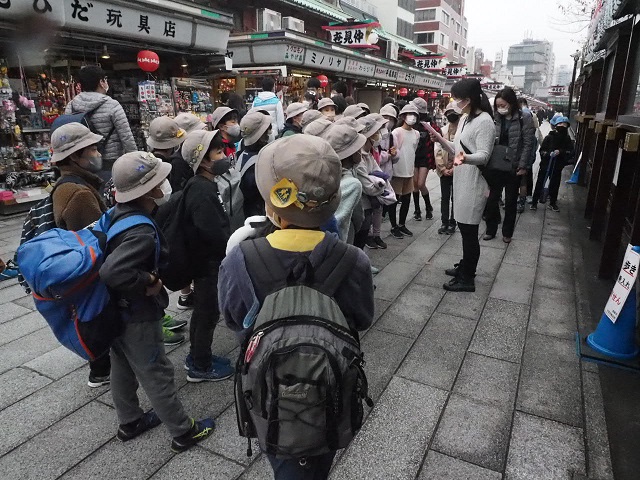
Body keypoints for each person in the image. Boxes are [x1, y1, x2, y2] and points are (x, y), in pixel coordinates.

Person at [218, 134, 374, 480]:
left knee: (281, 455)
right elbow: (361, 318)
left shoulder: (240, 259)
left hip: (268, 389)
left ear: (272, 204)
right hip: (330, 388)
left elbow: (232, 318)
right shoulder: (353, 261)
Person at [102, 151, 215, 452]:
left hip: (113, 311)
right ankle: (183, 431)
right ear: (149, 189)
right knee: (156, 371)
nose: (166, 182)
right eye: (160, 179)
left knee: (122, 366)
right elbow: (114, 271)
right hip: (137, 313)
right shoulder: (140, 229)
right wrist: (148, 281)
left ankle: (130, 421)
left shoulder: (117, 213)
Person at [49, 123, 111, 388]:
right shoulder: (79, 194)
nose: (98, 153)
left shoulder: (70, 185)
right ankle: (101, 368)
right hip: (90, 274)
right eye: (93, 149)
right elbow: (96, 242)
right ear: (75, 156)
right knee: (97, 314)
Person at [175, 130, 235, 381]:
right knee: (208, 313)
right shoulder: (202, 190)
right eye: (218, 152)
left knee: (203, 311)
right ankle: (201, 365)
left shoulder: (204, 185)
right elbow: (212, 232)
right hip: (208, 264)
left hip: (204, 262)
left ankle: (197, 356)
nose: (224, 156)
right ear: (204, 161)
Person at [432, 78, 495, 292]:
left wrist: (463, 159)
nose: (455, 102)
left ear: (468, 99)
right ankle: (465, 266)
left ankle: (467, 277)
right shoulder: (467, 118)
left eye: (457, 99)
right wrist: (440, 140)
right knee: (464, 228)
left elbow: (484, 155)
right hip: (462, 180)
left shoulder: (485, 121)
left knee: (469, 231)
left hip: (474, 183)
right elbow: (459, 147)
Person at [141, 116, 190, 344]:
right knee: (150, 278)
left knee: (154, 274)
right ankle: (155, 324)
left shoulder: (147, 159)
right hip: (155, 226)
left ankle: (160, 316)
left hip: (151, 224)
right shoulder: (172, 164)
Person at [65, 65, 137, 183]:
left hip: (82, 162)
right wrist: (135, 162)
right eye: (105, 79)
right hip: (109, 161)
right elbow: (126, 137)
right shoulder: (113, 105)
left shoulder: (71, 105)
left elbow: (68, 133)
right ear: (101, 82)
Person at [484, 87, 535, 243]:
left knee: (511, 201)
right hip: (496, 164)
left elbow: (528, 143)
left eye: (504, 105)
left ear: (512, 103)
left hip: (514, 165)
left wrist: (523, 165)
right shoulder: (495, 118)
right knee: (492, 199)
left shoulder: (524, 118)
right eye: (498, 105)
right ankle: (491, 229)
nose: (501, 108)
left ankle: (507, 232)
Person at [324, 123, 367, 243]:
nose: (361, 152)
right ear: (352, 153)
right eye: (358, 149)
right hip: (340, 239)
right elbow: (356, 217)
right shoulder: (352, 183)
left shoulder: (327, 174)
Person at [354, 114, 388, 261]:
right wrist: (380, 185)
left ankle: (362, 263)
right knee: (358, 238)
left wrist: (378, 181)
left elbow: (380, 174)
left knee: (363, 236)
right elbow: (369, 187)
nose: (378, 135)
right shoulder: (358, 158)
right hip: (361, 204)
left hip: (369, 203)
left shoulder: (368, 154)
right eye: (375, 132)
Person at [531, 116, 575, 212]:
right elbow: (542, 150)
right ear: (555, 126)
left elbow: (570, 151)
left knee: (555, 184)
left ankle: (552, 202)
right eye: (560, 124)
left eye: (564, 125)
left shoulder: (567, 139)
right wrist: (547, 154)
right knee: (540, 182)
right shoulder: (549, 137)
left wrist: (561, 152)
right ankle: (534, 201)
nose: (562, 126)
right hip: (546, 164)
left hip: (558, 166)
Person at [389, 103, 420, 239]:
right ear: (403, 116)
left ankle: (402, 224)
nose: (412, 117)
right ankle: (393, 226)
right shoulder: (396, 132)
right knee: (394, 200)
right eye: (409, 114)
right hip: (397, 170)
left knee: (407, 198)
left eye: (414, 115)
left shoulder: (416, 133)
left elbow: (413, 150)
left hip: (409, 170)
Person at [239, 111, 273, 218]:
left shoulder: (242, 154)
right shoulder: (257, 165)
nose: (269, 133)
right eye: (267, 131)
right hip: (258, 216)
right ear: (261, 135)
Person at [435, 103, 461, 235]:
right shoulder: (443, 130)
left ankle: (453, 222)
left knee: (455, 197)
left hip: (458, 170)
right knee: (444, 197)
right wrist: (442, 168)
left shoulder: (463, 131)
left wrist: (455, 168)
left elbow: (463, 151)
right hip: (444, 169)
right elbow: (437, 150)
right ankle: (444, 221)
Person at [410, 97, 438, 222]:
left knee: (421, 183)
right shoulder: (411, 122)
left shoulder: (429, 124)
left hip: (425, 157)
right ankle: (417, 210)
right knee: (415, 185)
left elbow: (438, 136)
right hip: (413, 157)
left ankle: (428, 207)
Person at [518, 97, 544, 208]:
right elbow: (537, 133)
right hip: (529, 150)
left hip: (524, 151)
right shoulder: (531, 115)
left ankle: (522, 199)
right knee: (526, 175)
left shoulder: (524, 114)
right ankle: (526, 197)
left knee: (521, 178)